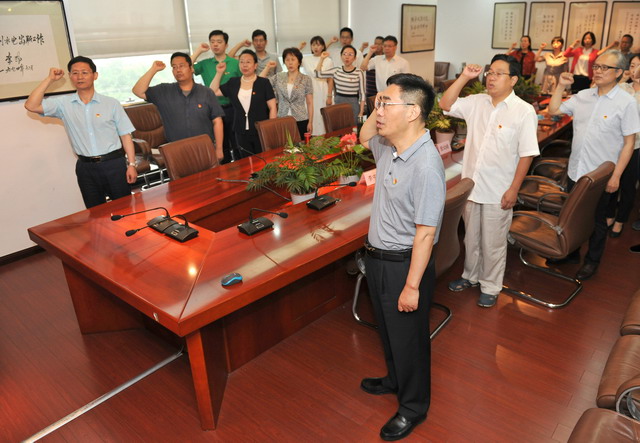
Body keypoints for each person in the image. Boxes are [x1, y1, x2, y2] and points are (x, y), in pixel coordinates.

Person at [358, 73, 445, 441]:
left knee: (410, 341)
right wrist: (380, 103)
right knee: (389, 331)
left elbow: (425, 234)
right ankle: (395, 380)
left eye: (386, 104)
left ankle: (413, 407)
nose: (379, 110)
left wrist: (411, 287)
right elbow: (363, 136)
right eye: (379, 103)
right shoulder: (389, 146)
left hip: (405, 267)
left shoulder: (425, 165)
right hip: (378, 260)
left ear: (412, 112)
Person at [440, 55, 539, 308]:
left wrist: (514, 189)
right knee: (471, 238)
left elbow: (527, 154)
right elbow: (445, 103)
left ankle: (491, 286)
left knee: (493, 242)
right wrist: (464, 77)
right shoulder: (477, 102)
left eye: (499, 73)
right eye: (490, 72)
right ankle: (470, 276)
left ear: (513, 80)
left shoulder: (523, 111)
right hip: (471, 186)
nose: (491, 78)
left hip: (499, 189)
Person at [548, 50, 640, 280]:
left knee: (597, 220)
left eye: (604, 68)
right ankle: (570, 253)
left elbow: (629, 143)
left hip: (601, 176)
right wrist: (560, 86)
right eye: (596, 66)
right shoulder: (583, 96)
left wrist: (616, 176)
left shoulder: (626, 102)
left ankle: (592, 261)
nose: (597, 71)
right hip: (575, 170)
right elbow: (554, 110)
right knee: (571, 216)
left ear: (618, 73)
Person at [25, 56, 137, 209]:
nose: (79, 77)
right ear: (70, 77)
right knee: (95, 213)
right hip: (86, 168)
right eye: (75, 73)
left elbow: (125, 135)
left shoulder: (111, 103)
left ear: (95, 75)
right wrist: (49, 79)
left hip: (114, 164)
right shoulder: (63, 104)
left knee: (125, 209)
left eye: (84, 72)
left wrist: (131, 164)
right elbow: (31, 105)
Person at [132, 52, 225, 162]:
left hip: (204, 148)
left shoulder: (206, 92)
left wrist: (219, 148)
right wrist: (153, 70)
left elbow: (217, 121)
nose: (178, 70)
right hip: (176, 150)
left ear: (191, 68)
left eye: (181, 66)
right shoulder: (164, 91)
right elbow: (138, 91)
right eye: (174, 67)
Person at [210, 50, 277, 157]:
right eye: (241, 62)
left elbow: (272, 107)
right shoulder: (233, 82)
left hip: (260, 130)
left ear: (255, 65)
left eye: (248, 62)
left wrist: (270, 128)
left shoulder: (263, 83)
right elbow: (213, 91)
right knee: (245, 160)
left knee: (264, 159)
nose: (244, 65)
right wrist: (219, 73)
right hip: (240, 130)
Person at [191, 30, 241, 163]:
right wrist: (198, 51)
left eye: (219, 42)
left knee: (237, 144)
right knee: (221, 146)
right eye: (212, 42)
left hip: (233, 108)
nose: (215, 45)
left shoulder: (235, 63)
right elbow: (186, 67)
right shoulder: (205, 63)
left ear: (226, 45)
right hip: (213, 110)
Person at [607, 55, 640, 238]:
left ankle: (620, 220)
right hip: (615, 144)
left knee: (628, 185)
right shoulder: (622, 88)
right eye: (632, 66)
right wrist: (622, 80)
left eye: (639, 66)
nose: (635, 70)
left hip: (635, 146)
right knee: (612, 181)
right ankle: (610, 215)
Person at [267, 48, 314, 139]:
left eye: (293, 59)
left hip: (300, 118)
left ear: (299, 62)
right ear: (284, 62)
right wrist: (267, 67)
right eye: (287, 60)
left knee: (301, 145)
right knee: (284, 145)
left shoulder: (306, 79)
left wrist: (310, 122)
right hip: (282, 118)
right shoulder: (279, 76)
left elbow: (310, 102)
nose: (290, 63)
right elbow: (261, 82)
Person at [315, 45, 365, 125]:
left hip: (353, 104)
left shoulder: (359, 72)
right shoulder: (336, 70)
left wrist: (361, 112)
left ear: (355, 58)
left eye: (350, 54)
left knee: (353, 129)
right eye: (344, 54)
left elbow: (362, 94)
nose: (347, 57)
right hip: (339, 103)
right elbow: (318, 74)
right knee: (339, 127)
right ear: (341, 57)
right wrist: (322, 59)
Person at [301, 36, 334, 135]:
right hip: (309, 89)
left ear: (323, 46)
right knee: (311, 113)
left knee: (322, 114)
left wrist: (329, 96)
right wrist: (300, 47)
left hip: (322, 89)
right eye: (313, 45)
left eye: (318, 45)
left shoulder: (328, 60)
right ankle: (311, 135)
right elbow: (292, 58)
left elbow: (330, 79)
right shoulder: (306, 59)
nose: (316, 47)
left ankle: (324, 136)